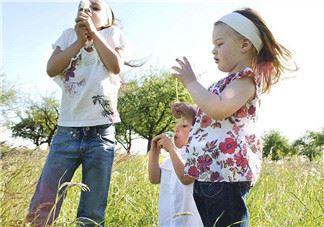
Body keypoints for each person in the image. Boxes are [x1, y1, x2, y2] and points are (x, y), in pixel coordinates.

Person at [171, 8, 295, 227]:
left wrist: (191, 82)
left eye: (219, 44)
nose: (213, 50)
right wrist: (192, 112)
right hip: (208, 172)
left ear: (244, 45)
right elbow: (214, 116)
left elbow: (219, 109)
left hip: (226, 175)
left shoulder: (245, 80)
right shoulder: (224, 84)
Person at [25, 0, 128, 226]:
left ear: (109, 17)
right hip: (67, 132)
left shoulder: (113, 34)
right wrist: (80, 42)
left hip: (101, 132)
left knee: (93, 205)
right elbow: (51, 68)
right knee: (46, 198)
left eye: (96, 7)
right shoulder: (68, 36)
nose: (88, 10)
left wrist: (94, 34)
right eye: (83, 7)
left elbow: (115, 66)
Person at [148, 118, 203, 227]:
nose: (176, 130)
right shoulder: (171, 158)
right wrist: (154, 151)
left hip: (191, 221)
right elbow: (154, 178)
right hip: (170, 218)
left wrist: (171, 148)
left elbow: (186, 177)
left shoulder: (198, 155)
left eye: (184, 126)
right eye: (176, 126)